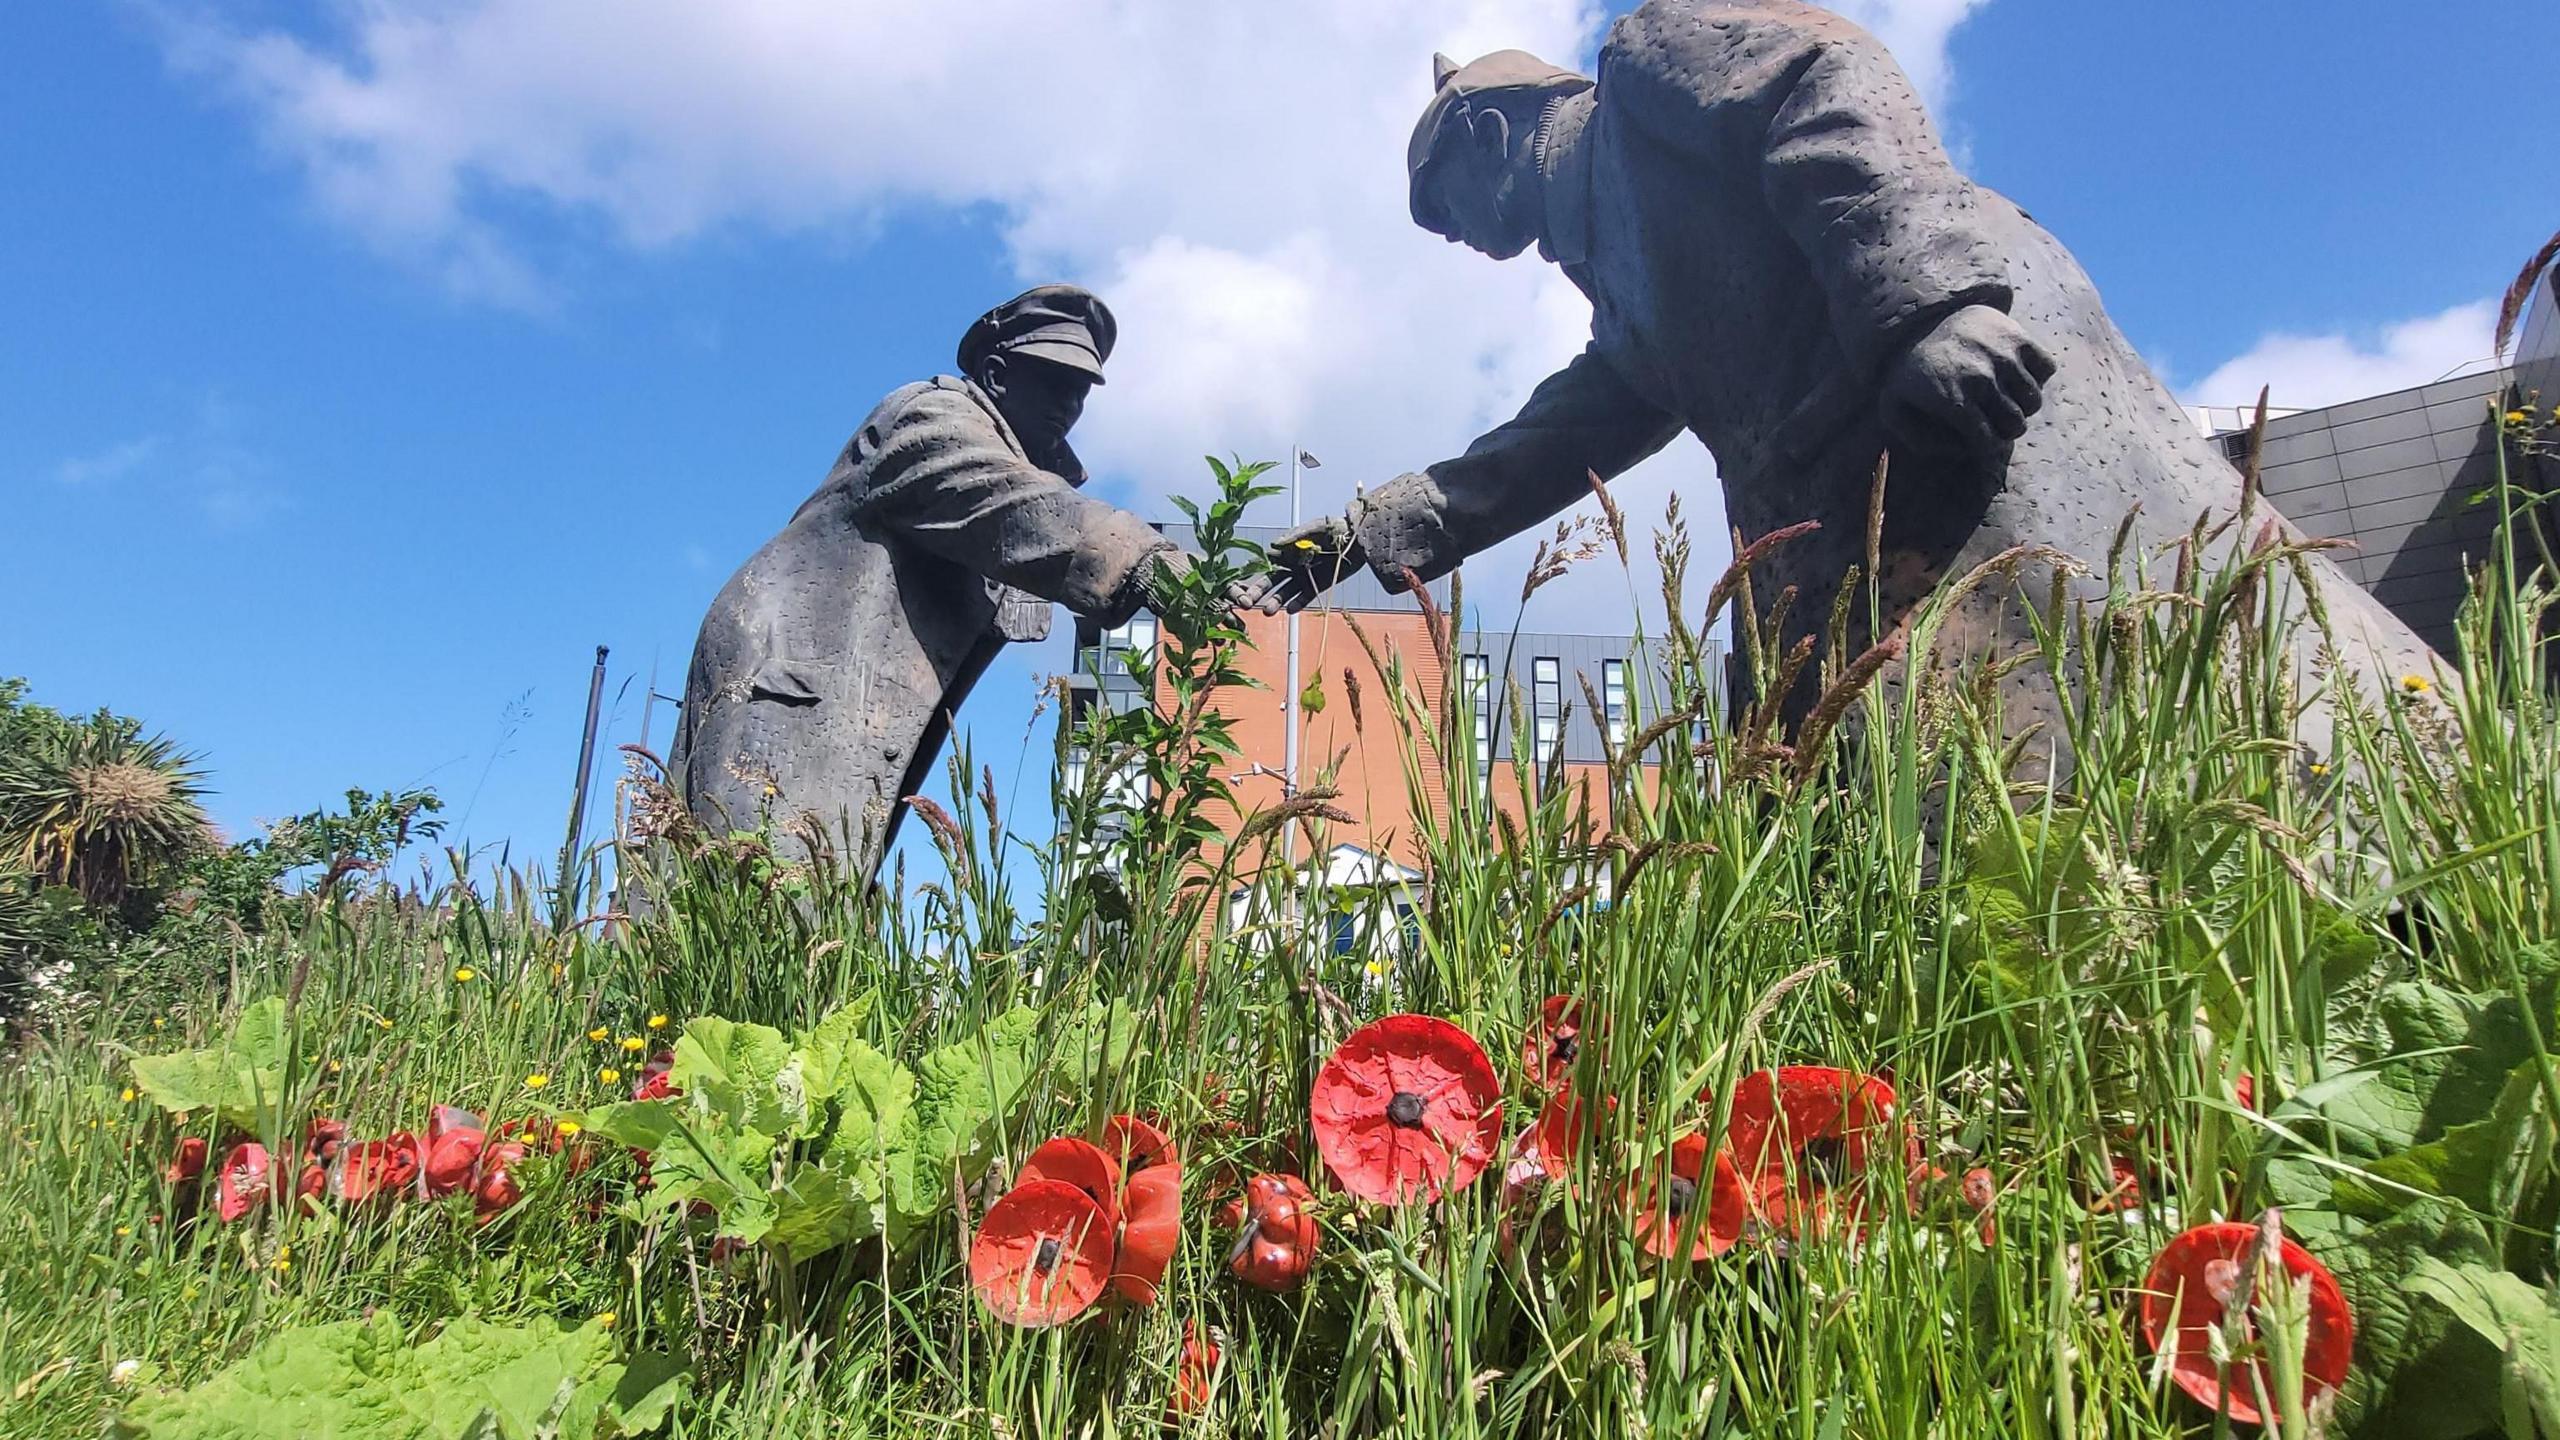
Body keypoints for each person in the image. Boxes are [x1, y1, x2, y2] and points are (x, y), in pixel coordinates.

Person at [1244, 1, 2439, 766]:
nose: (1449, 236)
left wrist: (1926, 305)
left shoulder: (1647, 60)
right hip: (1848, 512)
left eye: (1439, 205)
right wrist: (1359, 536)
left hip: (1948, 394)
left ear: (1489, 136)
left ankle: (2403, 830)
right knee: (1915, 802)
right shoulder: (1620, 297)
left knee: (2183, 681)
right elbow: (1547, 446)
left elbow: (1818, 80)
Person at [676, 285, 1222, 877]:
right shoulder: (930, 417)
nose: (1070, 404)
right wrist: (1144, 560)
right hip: (791, 676)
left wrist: (1305, 559)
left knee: (815, 894)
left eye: (1081, 391)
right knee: (760, 888)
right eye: (1054, 380)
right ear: (996, 373)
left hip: (832, 692)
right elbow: (1020, 506)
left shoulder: (1019, 467)